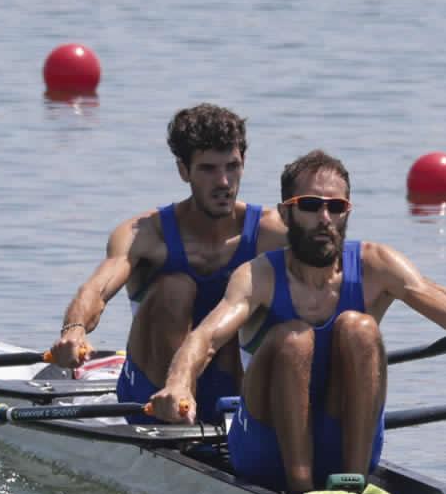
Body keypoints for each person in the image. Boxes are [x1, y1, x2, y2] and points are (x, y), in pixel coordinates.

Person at [149, 149, 446, 494]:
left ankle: (353, 485)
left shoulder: (376, 265)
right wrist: (178, 385)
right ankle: (301, 490)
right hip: (265, 448)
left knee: (360, 328)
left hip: (343, 441)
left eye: (336, 207)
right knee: (294, 339)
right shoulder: (258, 275)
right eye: (310, 206)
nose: (325, 218)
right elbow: (205, 338)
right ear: (286, 213)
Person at [50, 104, 287, 423]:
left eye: (232, 166)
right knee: (176, 288)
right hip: (151, 392)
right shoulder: (146, 234)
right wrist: (74, 330)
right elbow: (97, 289)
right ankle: (171, 419)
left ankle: (244, 424)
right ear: (183, 170)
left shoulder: (274, 234)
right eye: (208, 169)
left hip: (233, 386)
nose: (223, 182)